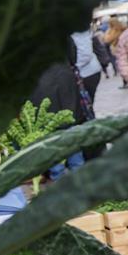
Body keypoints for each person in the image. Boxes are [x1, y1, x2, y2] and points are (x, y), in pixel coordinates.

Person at [30, 39, 86, 181]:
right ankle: (79, 175)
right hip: (63, 78)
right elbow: (73, 54)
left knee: (49, 132)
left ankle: (59, 177)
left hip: (38, 84)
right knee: (70, 127)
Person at [70, 27, 102, 103]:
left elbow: (85, 54)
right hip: (85, 72)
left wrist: (73, 67)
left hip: (86, 73)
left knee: (85, 105)